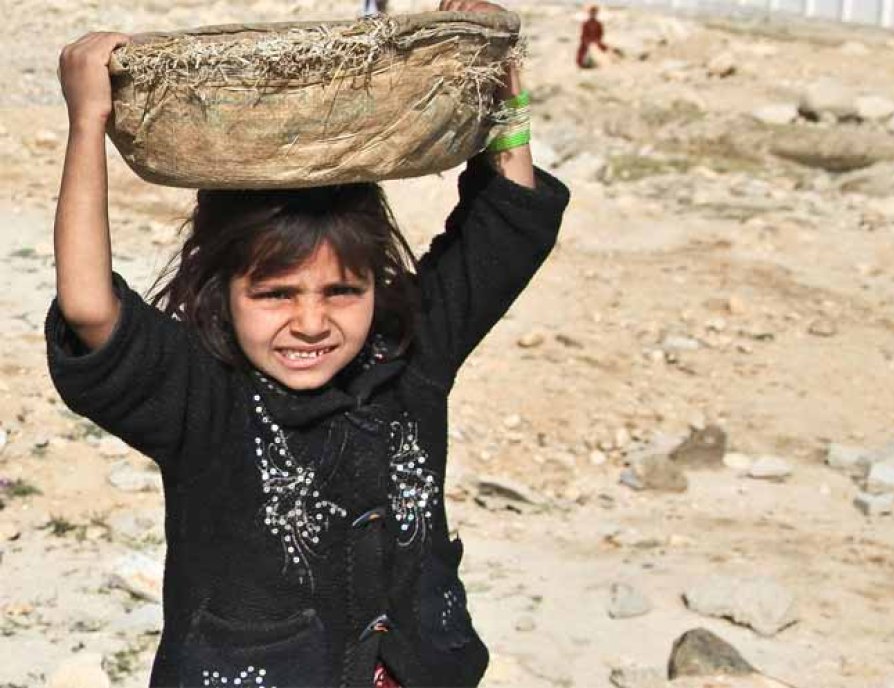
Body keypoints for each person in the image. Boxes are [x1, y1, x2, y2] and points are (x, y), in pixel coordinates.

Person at [47, 1, 569, 687]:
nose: (312, 323)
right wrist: (87, 125)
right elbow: (89, 306)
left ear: (378, 289)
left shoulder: (408, 355)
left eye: (342, 292)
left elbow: (507, 224)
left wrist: (497, 73)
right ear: (222, 293)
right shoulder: (205, 401)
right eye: (274, 295)